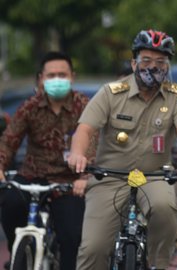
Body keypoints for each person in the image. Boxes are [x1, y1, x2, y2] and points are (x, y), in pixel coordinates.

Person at [67, 29, 177, 270]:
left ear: (168, 65)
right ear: (133, 63)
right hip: (110, 177)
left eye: (161, 62)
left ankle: (158, 265)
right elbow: (85, 130)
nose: (153, 67)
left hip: (154, 176)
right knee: (94, 248)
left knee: (165, 207)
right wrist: (78, 154)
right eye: (146, 61)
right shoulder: (110, 93)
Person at [0, 51, 94, 270]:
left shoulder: (85, 106)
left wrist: (85, 176)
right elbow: (9, 139)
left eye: (62, 74)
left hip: (70, 183)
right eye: (51, 75)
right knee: (10, 203)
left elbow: (94, 142)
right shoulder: (30, 107)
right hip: (34, 176)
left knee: (72, 236)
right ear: (41, 78)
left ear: (72, 77)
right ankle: (21, 254)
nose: (57, 80)